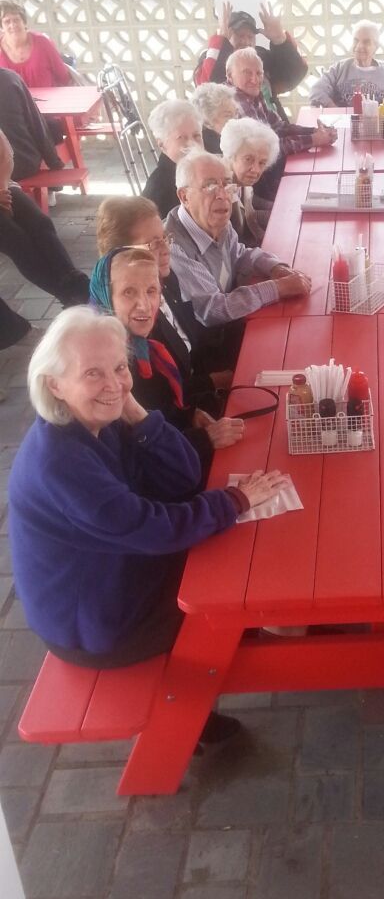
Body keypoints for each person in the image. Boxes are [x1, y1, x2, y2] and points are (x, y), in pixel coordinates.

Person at [8, 306, 287, 753]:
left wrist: (136, 412)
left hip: (116, 576)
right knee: (226, 594)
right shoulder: (60, 464)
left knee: (233, 559)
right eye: (93, 373)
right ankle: (184, 718)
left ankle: (245, 651)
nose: (113, 383)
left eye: (119, 367)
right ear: (54, 385)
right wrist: (234, 500)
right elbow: (154, 528)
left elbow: (182, 477)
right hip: (98, 627)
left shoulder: (96, 423)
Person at [90, 247, 244, 475]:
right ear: (106, 295)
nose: (144, 305)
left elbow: (157, 404)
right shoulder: (106, 367)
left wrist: (189, 414)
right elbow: (135, 454)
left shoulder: (143, 339)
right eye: (128, 292)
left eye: (151, 291)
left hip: (176, 446)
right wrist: (203, 439)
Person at [95, 194, 239, 386]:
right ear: (120, 254)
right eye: (153, 243)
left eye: (164, 238)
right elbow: (157, 399)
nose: (166, 249)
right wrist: (216, 382)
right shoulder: (129, 319)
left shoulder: (166, 280)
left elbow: (194, 340)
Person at [165, 150, 311, 326]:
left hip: (233, 325)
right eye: (210, 186)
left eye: (227, 185)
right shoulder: (173, 246)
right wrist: (278, 288)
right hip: (210, 345)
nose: (222, 195)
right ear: (184, 196)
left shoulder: (216, 220)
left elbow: (240, 255)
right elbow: (212, 310)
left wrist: (275, 268)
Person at [0, 129, 89, 348]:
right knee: (16, 240)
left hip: (2, 187)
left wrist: (1, 189)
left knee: (40, 223)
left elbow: (5, 155)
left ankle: (77, 288)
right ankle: (73, 298)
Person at [227, 46, 336, 201]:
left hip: (267, 174)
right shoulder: (236, 101)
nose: (254, 79)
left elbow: (279, 127)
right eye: (247, 73)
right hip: (255, 188)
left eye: (259, 73)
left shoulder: (252, 93)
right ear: (229, 76)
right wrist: (314, 140)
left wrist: (315, 132)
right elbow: (271, 150)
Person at [194, 1, 307, 122]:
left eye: (250, 36)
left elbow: (293, 77)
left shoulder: (260, 57)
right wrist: (221, 42)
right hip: (236, 134)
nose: (246, 42)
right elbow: (207, 89)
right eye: (240, 35)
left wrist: (280, 40)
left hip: (276, 129)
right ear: (227, 34)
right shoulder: (211, 57)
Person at [308, 20, 384, 107]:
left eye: (366, 42)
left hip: (374, 123)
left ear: (376, 47)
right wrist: (333, 108)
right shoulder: (338, 69)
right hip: (339, 123)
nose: (359, 46)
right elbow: (316, 90)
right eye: (356, 40)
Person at [220, 117, 280, 247]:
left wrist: (281, 210)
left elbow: (250, 215)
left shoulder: (240, 181)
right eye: (248, 159)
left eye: (262, 163)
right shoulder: (221, 192)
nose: (256, 170)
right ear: (231, 154)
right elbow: (233, 248)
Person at [0, 67, 65, 180]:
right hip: (21, 164)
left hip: (13, 166)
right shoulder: (9, 78)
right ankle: (52, 188)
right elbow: (36, 124)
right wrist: (54, 162)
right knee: (53, 126)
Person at [142, 99, 204, 217]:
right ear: (162, 144)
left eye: (196, 136)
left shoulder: (205, 168)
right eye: (181, 138)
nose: (193, 144)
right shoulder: (159, 189)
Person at [0, 0, 70, 89]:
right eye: (7, 21)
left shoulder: (43, 42)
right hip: (13, 103)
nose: (13, 25)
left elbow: (64, 77)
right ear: (1, 27)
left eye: (16, 20)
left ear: (24, 22)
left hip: (48, 101)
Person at [189, 82, 239, 154]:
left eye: (236, 113)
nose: (236, 120)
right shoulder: (211, 152)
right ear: (207, 123)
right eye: (228, 116)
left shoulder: (231, 138)